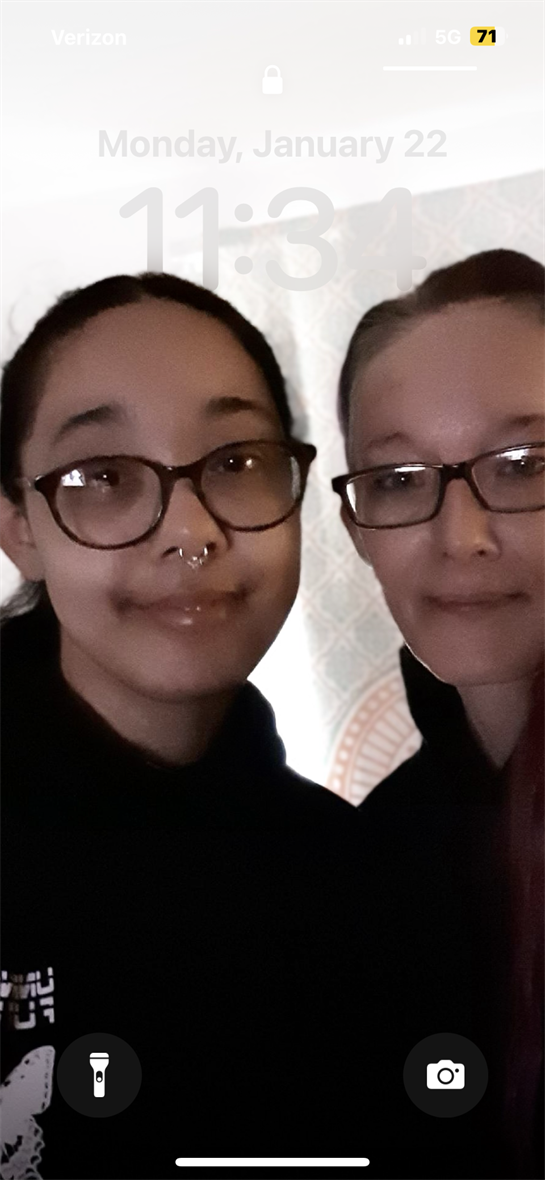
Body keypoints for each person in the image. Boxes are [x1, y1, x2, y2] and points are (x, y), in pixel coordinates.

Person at [0, 273, 360, 1176]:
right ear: (18, 525)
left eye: (235, 462)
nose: (189, 531)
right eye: (104, 477)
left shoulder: (352, 868)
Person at [332, 249, 545, 1176]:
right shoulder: (378, 854)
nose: (461, 536)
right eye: (398, 480)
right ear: (357, 531)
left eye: (523, 464)